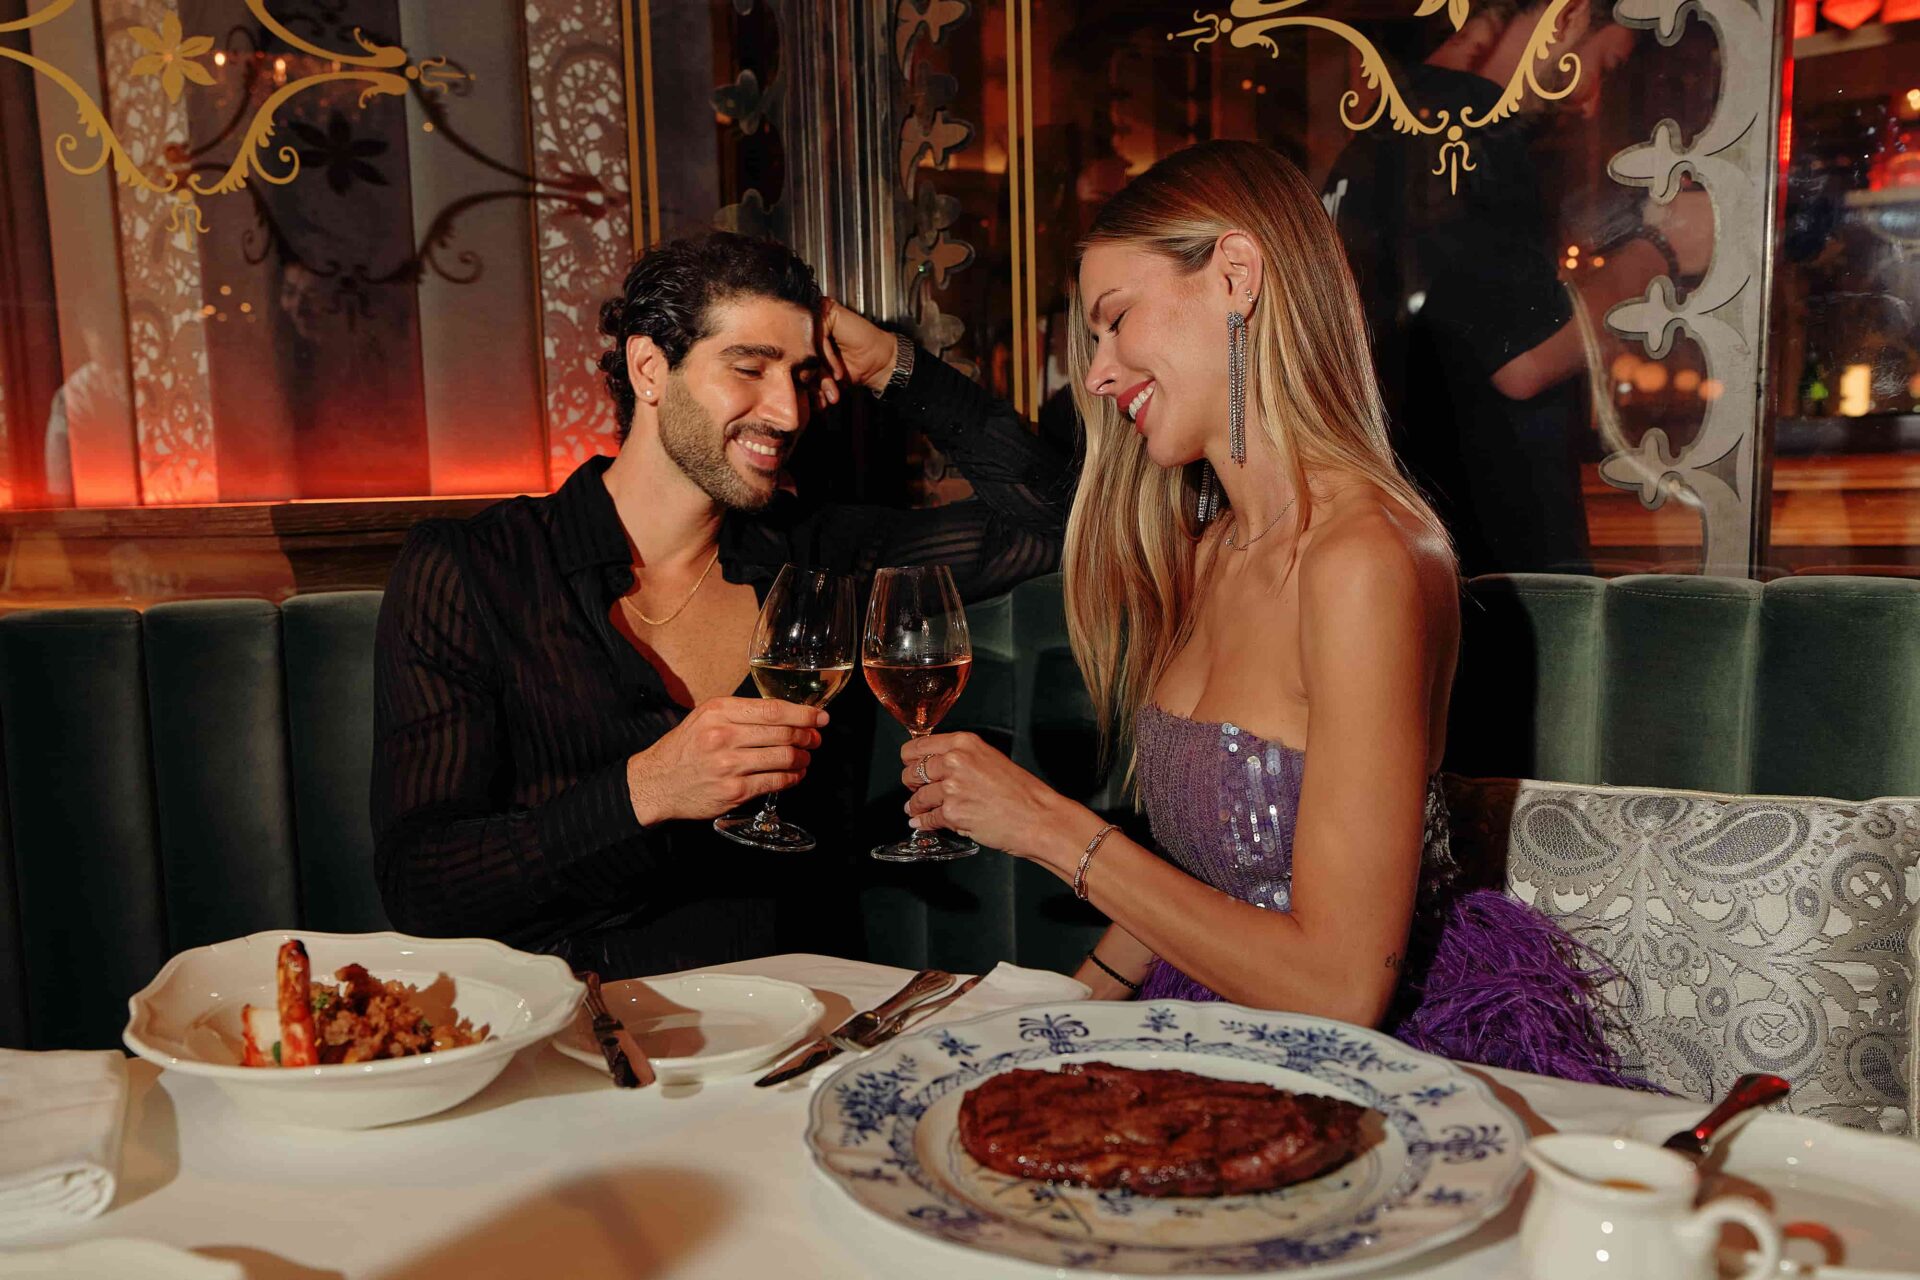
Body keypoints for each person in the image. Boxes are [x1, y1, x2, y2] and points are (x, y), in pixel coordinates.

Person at [896, 141, 1634, 1082]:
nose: (1099, 374)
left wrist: (1046, 827)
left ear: (1236, 276)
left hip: (1365, 1059)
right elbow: (1214, 872)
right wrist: (1057, 1017)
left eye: (1116, 320)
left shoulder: (1364, 560)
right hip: (1210, 1015)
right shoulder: (1212, 550)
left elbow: (1340, 989)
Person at [372, 231, 1070, 978]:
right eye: (749, 368)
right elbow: (422, 886)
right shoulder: (477, 569)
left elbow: (1059, 520)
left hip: (805, 1018)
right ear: (649, 368)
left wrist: (891, 365)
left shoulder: (823, 554)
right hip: (582, 1019)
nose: (789, 411)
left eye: (803, 375)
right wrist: (646, 791)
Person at [1323, 0, 1707, 575]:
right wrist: (1664, 247)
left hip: (1420, 541)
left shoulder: (1384, 132)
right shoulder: (1466, 130)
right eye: (1605, 65)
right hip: (1495, 568)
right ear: (1569, 16)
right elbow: (1524, 358)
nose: (1591, 100)